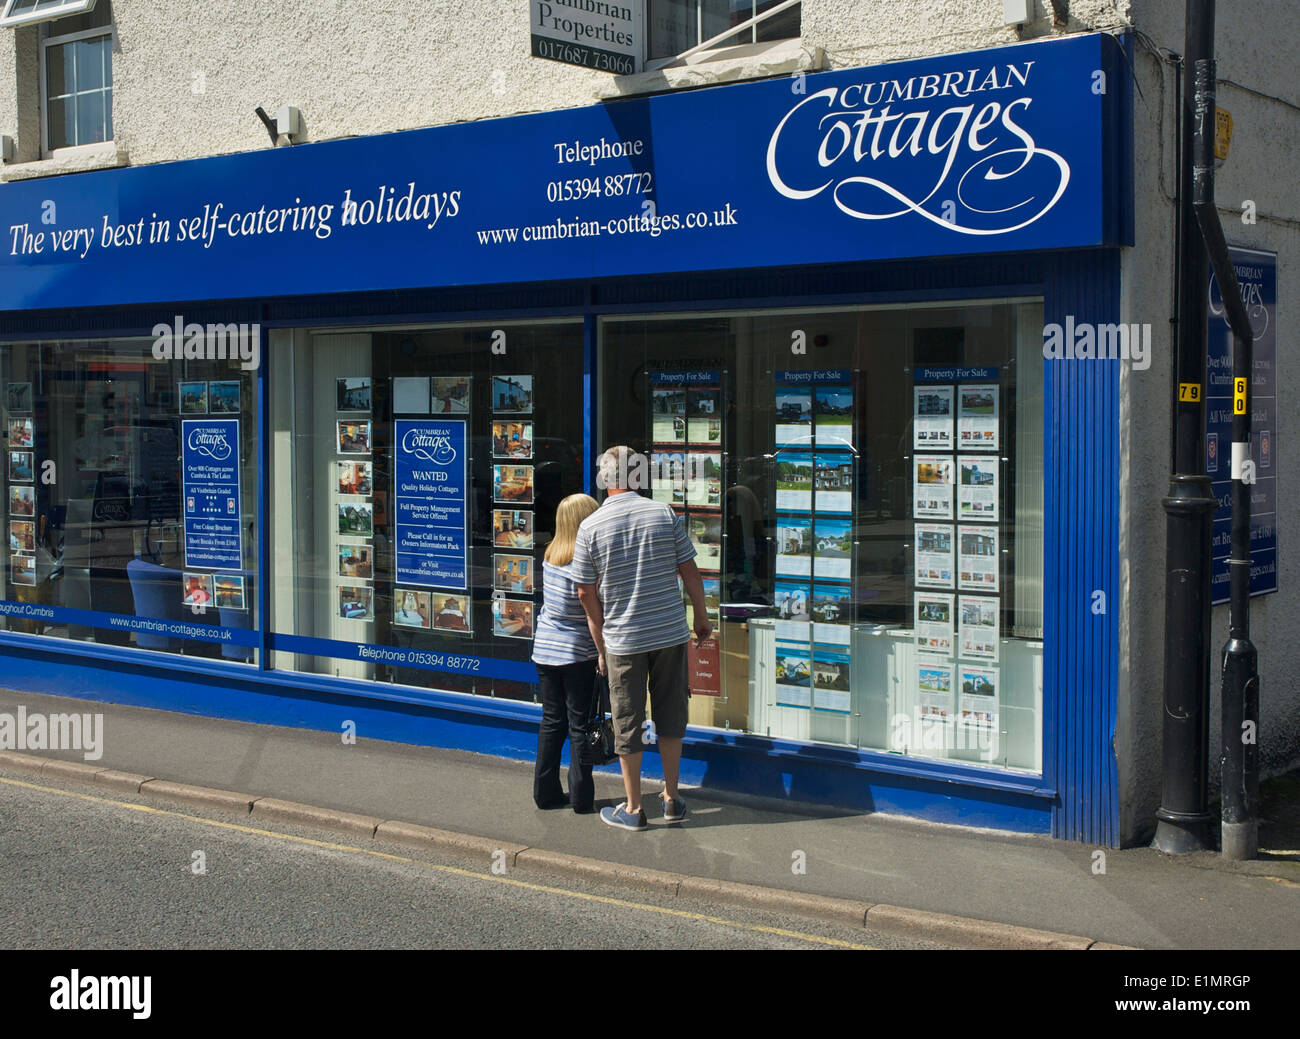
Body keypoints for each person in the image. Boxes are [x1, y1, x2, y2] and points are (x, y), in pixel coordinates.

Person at [572, 446, 712, 831]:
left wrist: (600, 641)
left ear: (605, 479)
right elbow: (690, 571)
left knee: (627, 720)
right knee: (670, 715)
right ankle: (671, 798)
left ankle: (633, 808)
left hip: (623, 638)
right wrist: (701, 617)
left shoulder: (591, 527)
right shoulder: (663, 513)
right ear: (637, 477)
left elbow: (584, 592)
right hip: (668, 632)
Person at [531, 492, 602, 813]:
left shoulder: (551, 554)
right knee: (579, 726)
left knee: (551, 722)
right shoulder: (586, 560)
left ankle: (544, 793)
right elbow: (591, 609)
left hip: (545, 649)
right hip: (577, 653)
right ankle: (581, 797)